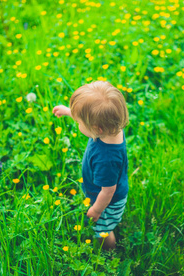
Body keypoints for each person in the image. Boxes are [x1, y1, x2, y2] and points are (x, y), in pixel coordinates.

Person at [52, 80, 129, 251]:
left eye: (79, 122)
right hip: (101, 193)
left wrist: (96, 210)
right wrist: (68, 111)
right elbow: (89, 119)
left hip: (108, 203)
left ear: (97, 129)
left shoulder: (106, 159)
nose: (78, 124)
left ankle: (108, 253)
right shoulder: (112, 128)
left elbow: (108, 190)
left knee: (103, 231)